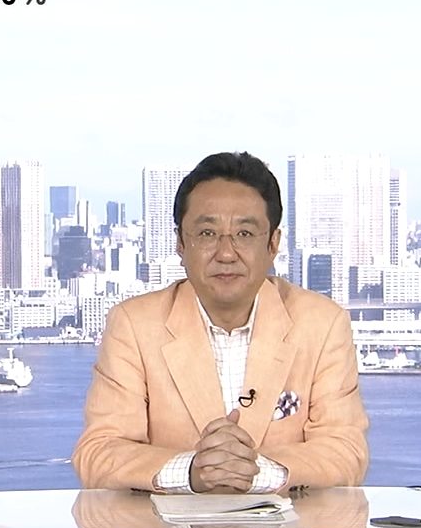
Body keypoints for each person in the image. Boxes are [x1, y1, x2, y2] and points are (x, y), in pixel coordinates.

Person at [72, 152, 369, 493]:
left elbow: (346, 451)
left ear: (273, 244)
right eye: (207, 233)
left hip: (289, 527)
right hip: (168, 527)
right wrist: (191, 470)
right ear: (180, 243)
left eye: (244, 233)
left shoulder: (322, 324)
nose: (226, 253)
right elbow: (99, 452)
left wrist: (254, 470)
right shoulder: (134, 325)